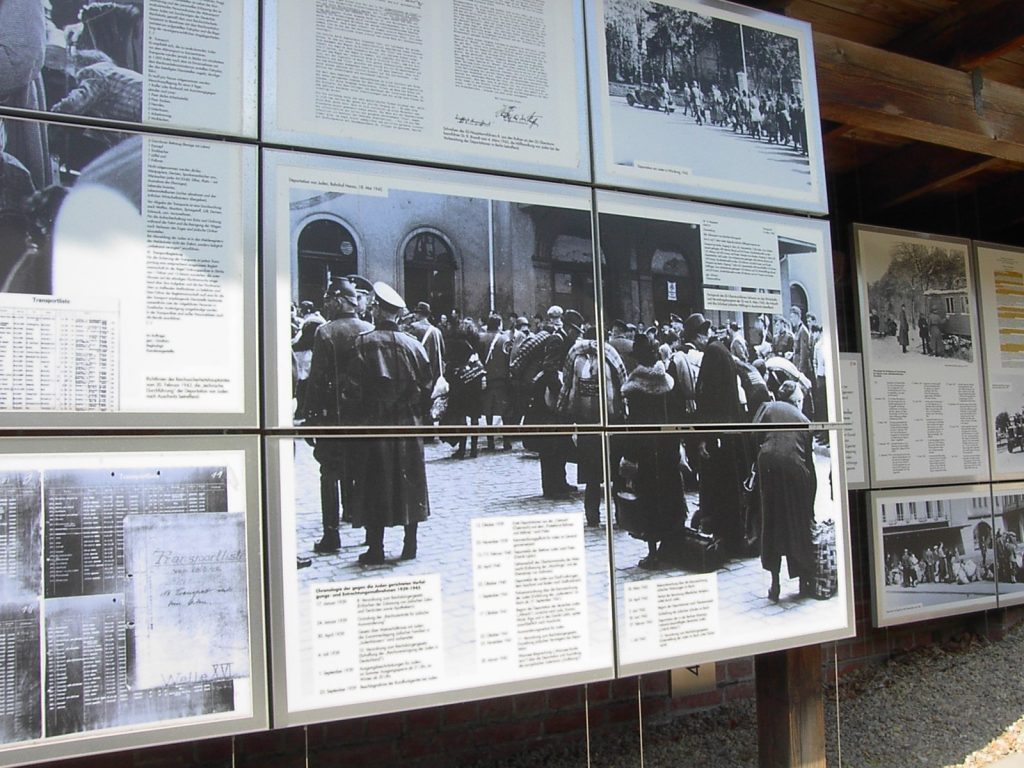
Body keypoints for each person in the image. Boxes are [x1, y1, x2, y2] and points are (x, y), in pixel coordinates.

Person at [340, 282, 432, 564]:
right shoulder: (415, 346)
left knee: (373, 482)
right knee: (411, 480)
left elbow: (351, 390)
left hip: (375, 424)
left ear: (378, 310)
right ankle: (410, 544)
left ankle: (376, 548)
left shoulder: (362, 343)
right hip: (408, 425)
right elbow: (429, 386)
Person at [303, 278, 373, 554]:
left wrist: (310, 418)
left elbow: (316, 380)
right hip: (363, 418)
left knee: (329, 474)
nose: (326, 304)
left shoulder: (325, 332)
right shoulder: (369, 329)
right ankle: (369, 530)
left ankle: (332, 536)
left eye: (330, 299)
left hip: (333, 417)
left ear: (341, 300)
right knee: (364, 472)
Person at [614, 334, 686, 568]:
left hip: (646, 454)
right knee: (671, 496)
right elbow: (678, 418)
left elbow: (633, 428)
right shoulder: (668, 382)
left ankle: (654, 553)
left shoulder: (634, 389)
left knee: (649, 501)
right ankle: (673, 546)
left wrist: (629, 458)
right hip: (668, 451)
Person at [754, 380, 817, 602]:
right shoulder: (804, 420)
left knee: (771, 521)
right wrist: (809, 507)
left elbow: (755, 436)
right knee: (796, 522)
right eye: (800, 400)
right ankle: (803, 582)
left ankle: (775, 584)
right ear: (795, 400)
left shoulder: (768, 408)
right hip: (794, 469)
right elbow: (809, 465)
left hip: (768, 463)